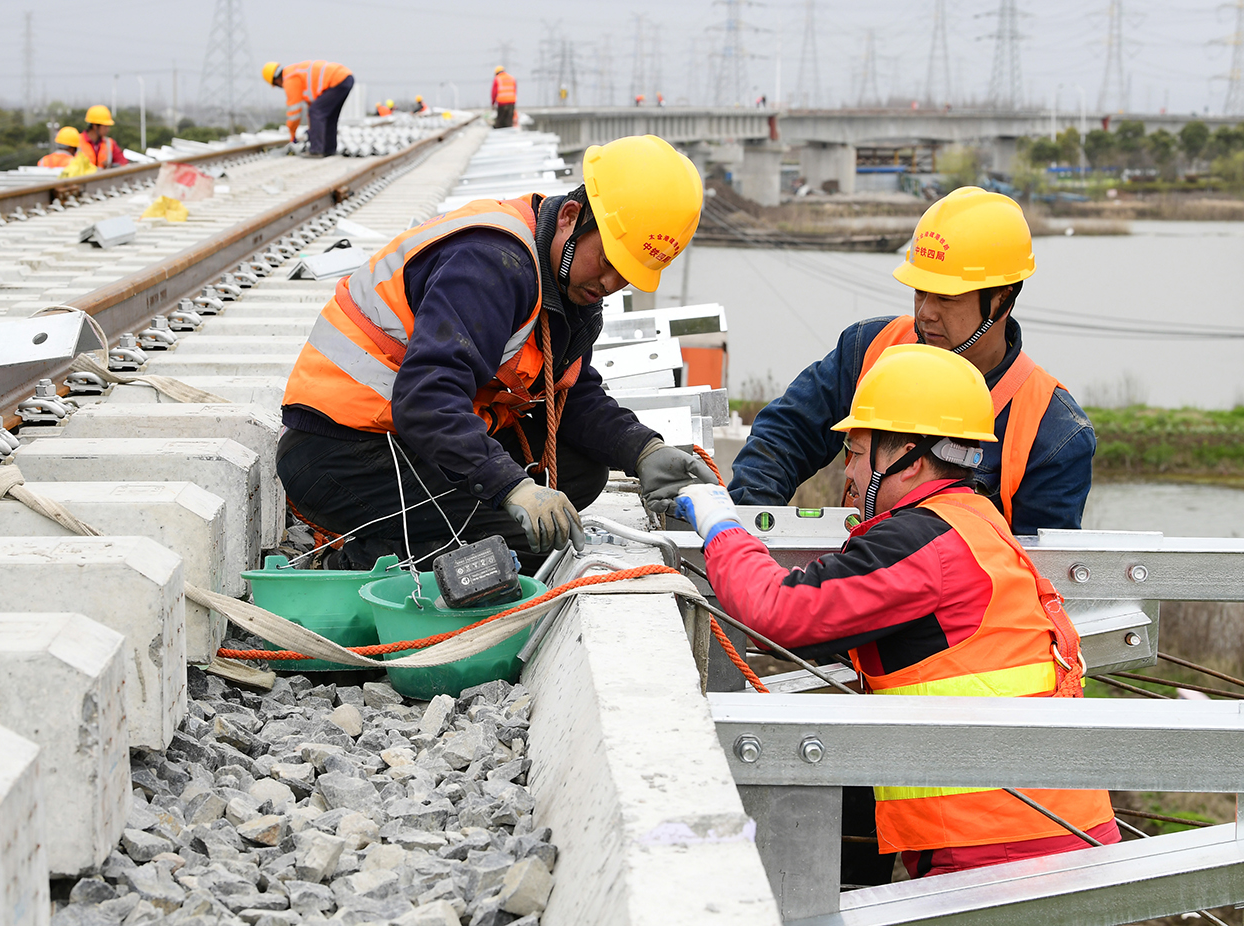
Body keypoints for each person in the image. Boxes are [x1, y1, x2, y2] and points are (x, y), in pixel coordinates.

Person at [678, 344, 1119, 879]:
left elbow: (778, 610)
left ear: (907, 458)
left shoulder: (918, 544)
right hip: (1044, 834)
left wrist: (722, 528)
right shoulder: (975, 521)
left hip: (999, 851)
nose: (850, 471)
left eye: (859, 452)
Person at [277, 135, 716, 571]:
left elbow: (572, 393)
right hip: (342, 453)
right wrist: (511, 488)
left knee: (581, 469)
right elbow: (427, 399)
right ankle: (354, 563)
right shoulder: (490, 264)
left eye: (625, 276)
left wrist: (642, 450)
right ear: (569, 217)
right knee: (536, 544)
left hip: (411, 437)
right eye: (606, 261)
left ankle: (405, 533)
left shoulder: (566, 285)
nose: (609, 284)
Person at [729, 187, 1094, 536]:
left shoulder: (1052, 431)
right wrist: (750, 527)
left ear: (1002, 298)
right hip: (852, 581)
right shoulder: (869, 349)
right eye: (920, 291)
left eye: (947, 298)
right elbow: (783, 437)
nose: (925, 313)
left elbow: (1037, 570)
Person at [263, 59, 354, 157]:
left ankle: (316, 150)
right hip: (345, 78)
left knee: (317, 111)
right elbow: (312, 109)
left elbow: (294, 112)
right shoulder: (294, 72)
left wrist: (292, 133)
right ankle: (329, 149)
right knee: (329, 116)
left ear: (276, 81)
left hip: (338, 80)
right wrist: (312, 129)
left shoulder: (290, 79)